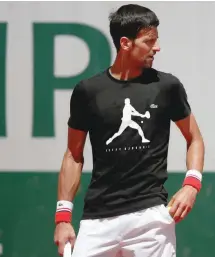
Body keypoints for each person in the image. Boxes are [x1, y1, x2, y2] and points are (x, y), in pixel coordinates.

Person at [53, 4, 205, 257]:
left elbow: (195, 139)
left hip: (151, 218)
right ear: (125, 43)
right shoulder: (87, 91)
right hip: (97, 221)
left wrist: (191, 185)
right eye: (149, 41)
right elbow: (73, 154)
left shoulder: (167, 86)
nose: (157, 47)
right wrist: (62, 217)